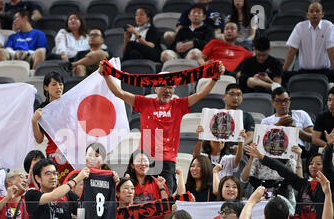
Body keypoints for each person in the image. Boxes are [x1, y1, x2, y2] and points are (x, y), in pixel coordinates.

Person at [98, 59, 226, 193]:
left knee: (166, 198)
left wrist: (215, 78)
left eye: (170, 87)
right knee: (134, 193)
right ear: (155, 88)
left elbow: (200, 94)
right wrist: (107, 75)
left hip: (166, 160)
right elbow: (120, 93)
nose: (167, 90)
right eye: (163, 86)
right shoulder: (145, 103)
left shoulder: (178, 105)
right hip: (144, 158)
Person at [245, 131, 334, 219]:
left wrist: (329, 146)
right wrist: (261, 156)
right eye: (311, 163)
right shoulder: (303, 184)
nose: (313, 166)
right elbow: (283, 170)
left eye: (318, 164)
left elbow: (328, 167)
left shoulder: (328, 184)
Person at [32, 72, 74, 185]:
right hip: (54, 154)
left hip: (74, 152)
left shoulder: (71, 105)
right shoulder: (42, 110)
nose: (58, 87)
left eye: (60, 84)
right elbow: (39, 139)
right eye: (54, 84)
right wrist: (34, 121)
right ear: (46, 87)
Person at [282, 2, 334, 84]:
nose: (314, 14)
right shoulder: (300, 27)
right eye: (311, 11)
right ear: (307, 14)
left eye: (317, 11)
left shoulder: (328, 26)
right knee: (282, 76)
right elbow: (292, 51)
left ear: (322, 14)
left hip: (324, 72)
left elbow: (331, 50)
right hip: (304, 72)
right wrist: (283, 71)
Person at [242, 143, 302, 208]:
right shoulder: (257, 160)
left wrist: (298, 158)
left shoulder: (290, 161)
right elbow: (244, 178)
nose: (275, 146)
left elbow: (299, 183)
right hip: (260, 201)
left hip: (284, 203)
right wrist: (251, 157)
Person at [261, 87, 314, 159]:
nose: (283, 104)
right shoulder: (266, 121)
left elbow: (312, 138)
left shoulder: (301, 114)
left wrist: (295, 130)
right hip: (275, 150)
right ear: (272, 102)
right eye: (278, 101)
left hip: (296, 149)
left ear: (290, 101)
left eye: (286, 100)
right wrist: (278, 125)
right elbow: (262, 143)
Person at [188, 21, 253, 78]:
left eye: (232, 29)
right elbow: (201, 58)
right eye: (226, 29)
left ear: (238, 33)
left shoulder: (243, 51)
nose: (229, 31)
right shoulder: (214, 43)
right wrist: (204, 64)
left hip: (227, 76)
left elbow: (257, 56)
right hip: (210, 72)